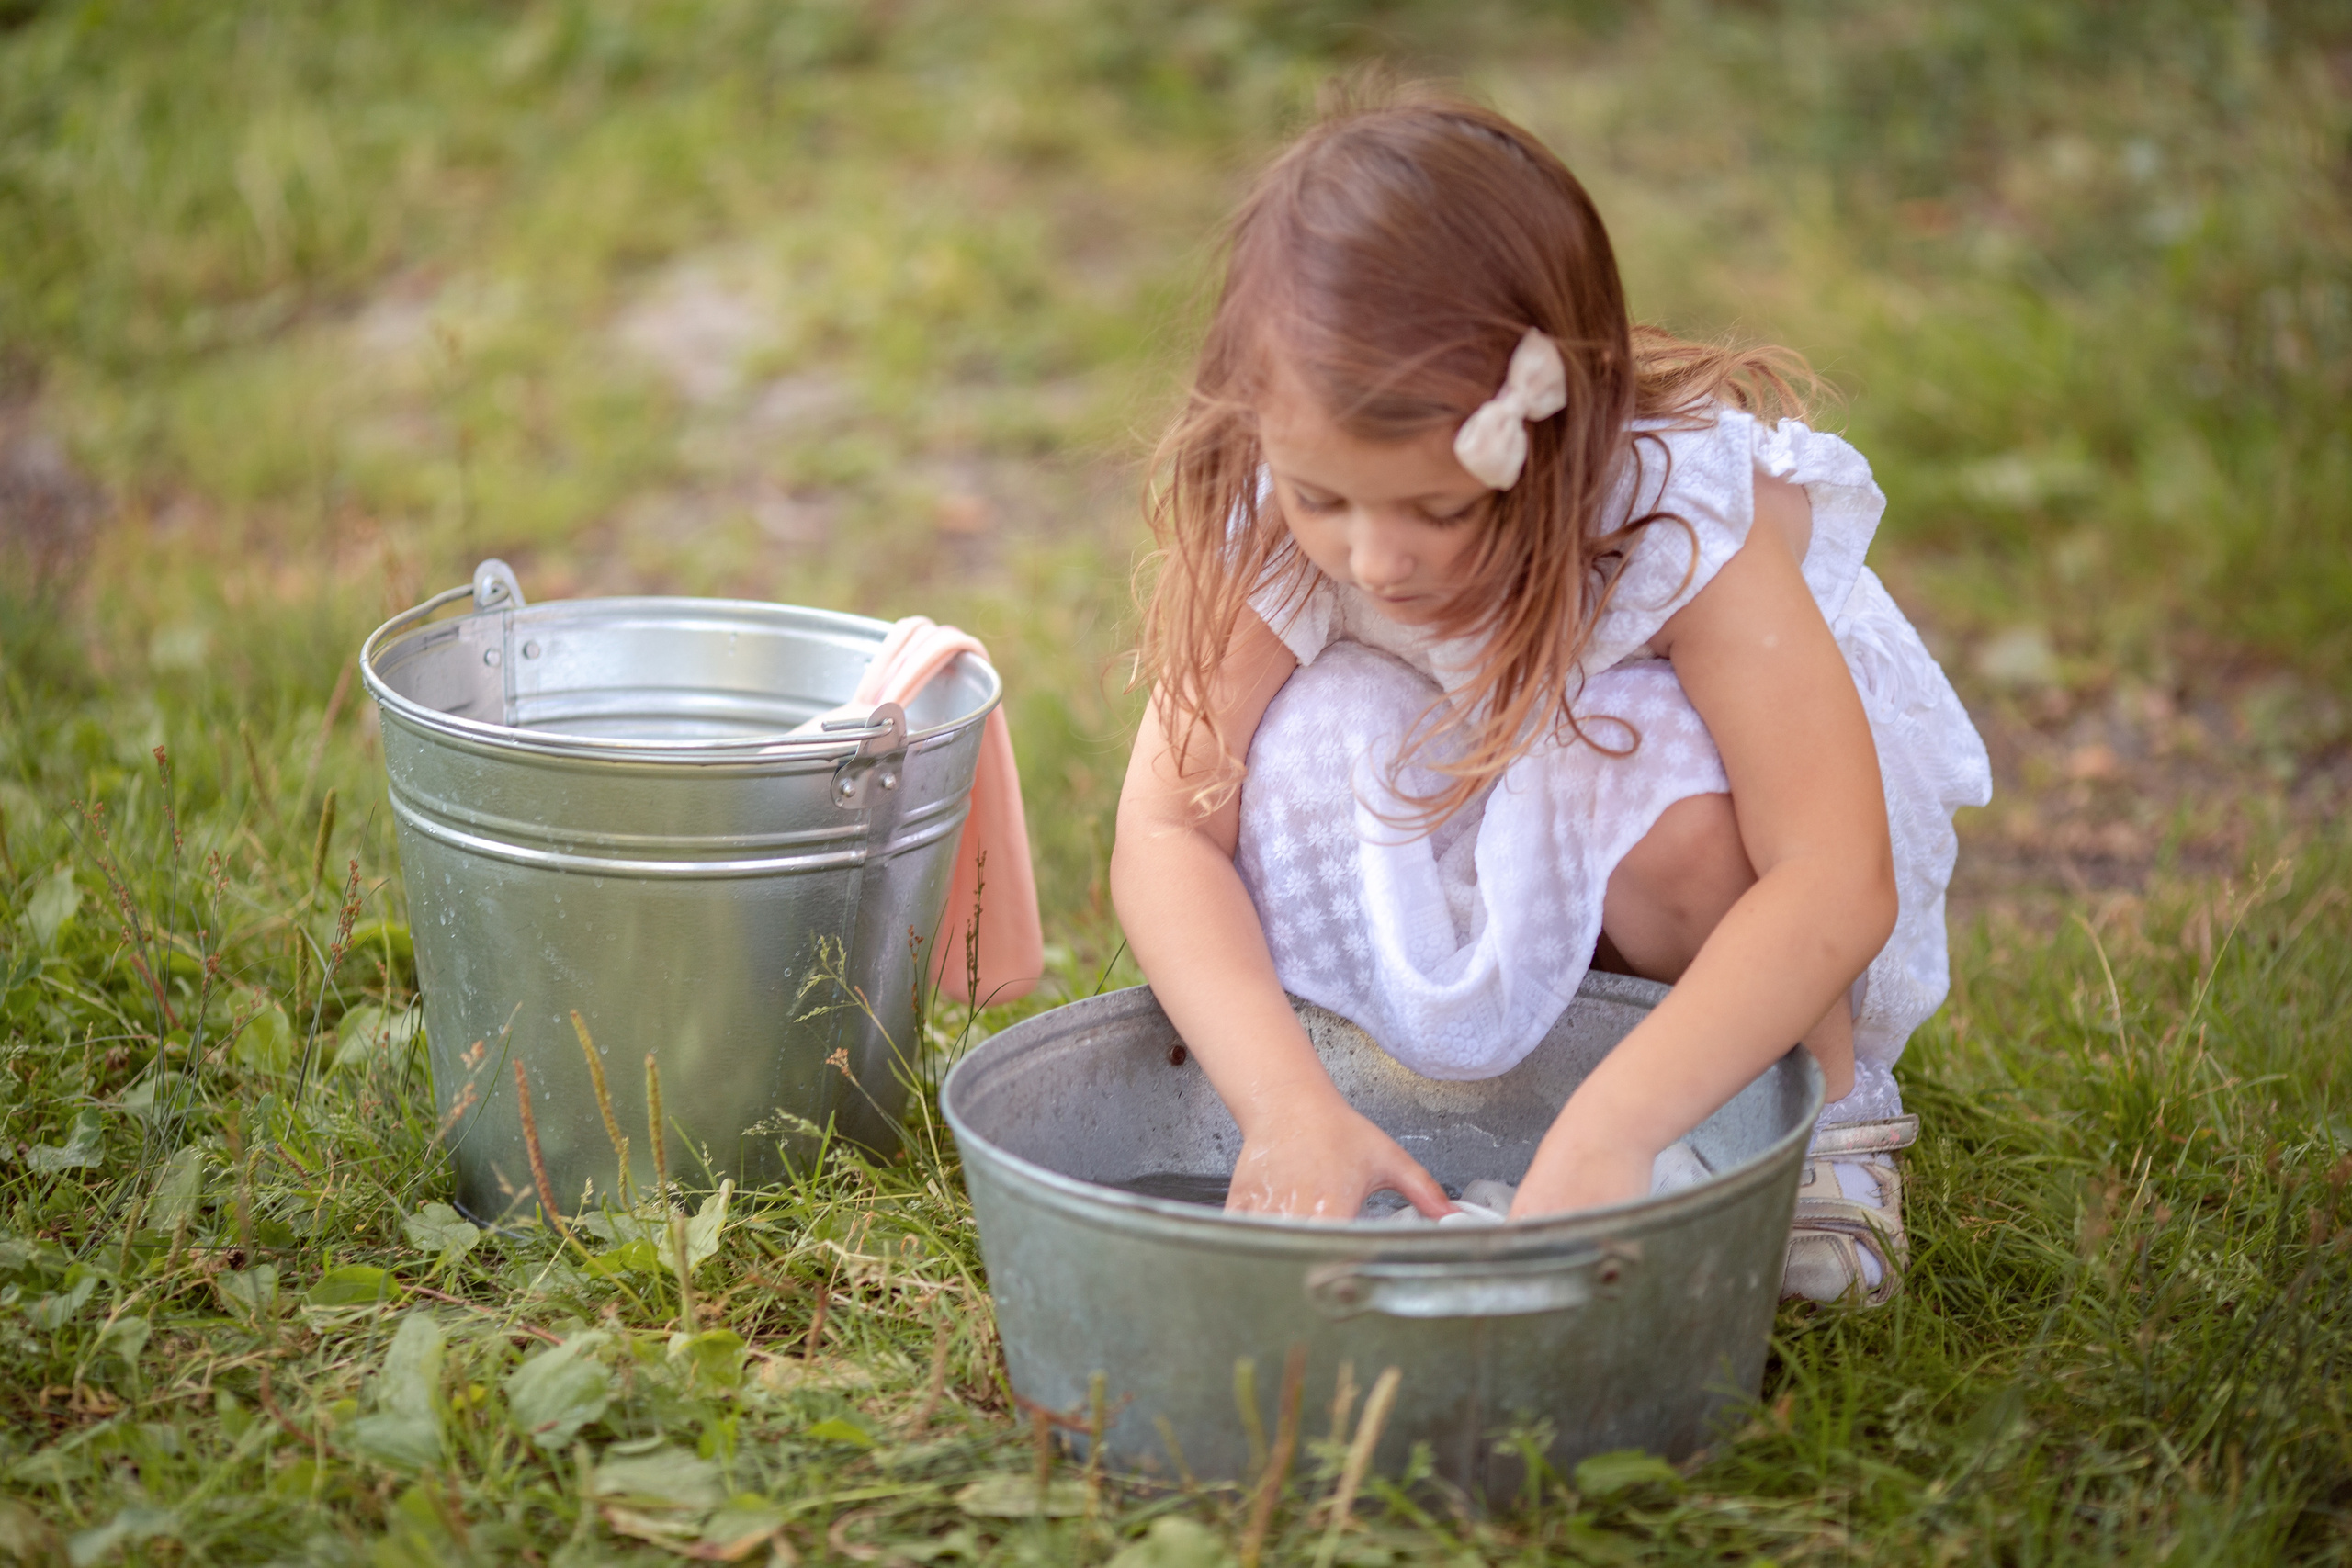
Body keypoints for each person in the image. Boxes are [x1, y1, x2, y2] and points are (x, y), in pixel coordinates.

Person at [1109, 88, 1991, 1303]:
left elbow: (1831, 878)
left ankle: (1812, 1119)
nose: (1373, 561)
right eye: (1326, 501)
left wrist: (1613, 1131)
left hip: (1682, 859)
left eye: (1440, 509)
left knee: (1650, 765)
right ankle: (1413, 1072)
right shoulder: (1286, 508)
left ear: (1558, 438)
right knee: (1299, 740)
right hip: (1482, 799)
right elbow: (1167, 828)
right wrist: (1282, 1107)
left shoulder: (1676, 523)